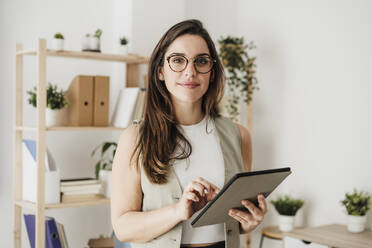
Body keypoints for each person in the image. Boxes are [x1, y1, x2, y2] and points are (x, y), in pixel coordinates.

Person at [111, 19, 267, 248]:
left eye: (201, 61)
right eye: (177, 61)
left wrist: (249, 221)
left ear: (212, 72)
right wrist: (177, 211)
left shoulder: (239, 135)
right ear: (160, 71)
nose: (190, 72)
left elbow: (236, 219)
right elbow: (123, 228)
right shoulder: (135, 139)